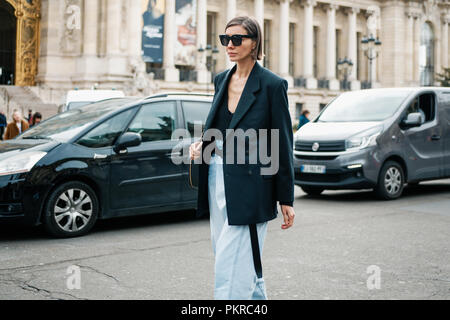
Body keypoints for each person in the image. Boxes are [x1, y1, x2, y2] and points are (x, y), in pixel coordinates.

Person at [189, 16, 295, 300]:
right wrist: (202, 146)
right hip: (217, 174)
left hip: (253, 183)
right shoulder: (221, 80)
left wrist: (286, 197)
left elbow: (282, 141)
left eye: (238, 39)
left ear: (254, 43)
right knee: (228, 248)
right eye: (226, 39)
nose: (230, 45)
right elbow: (219, 128)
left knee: (232, 256)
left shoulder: (272, 85)